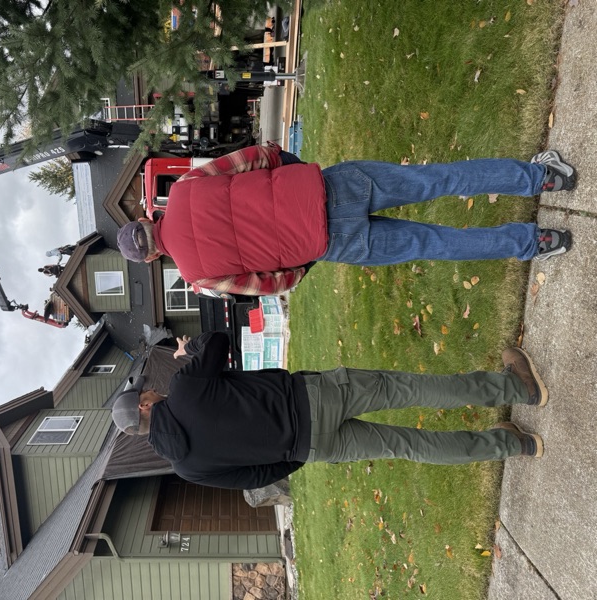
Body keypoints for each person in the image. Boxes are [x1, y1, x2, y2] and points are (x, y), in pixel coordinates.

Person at [116, 144, 575, 295]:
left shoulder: (200, 278)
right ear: (146, 218)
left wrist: (303, 258)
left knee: (433, 244)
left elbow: (273, 284)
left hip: (330, 241)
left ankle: (537, 242)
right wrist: (291, 171)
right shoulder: (186, 187)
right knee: (436, 180)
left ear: (152, 255)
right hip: (327, 186)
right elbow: (256, 157)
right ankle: (542, 177)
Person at [111, 332, 546, 490]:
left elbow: (258, 477)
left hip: (312, 448)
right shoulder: (185, 386)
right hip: (315, 397)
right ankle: (515, 387)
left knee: (408, 446)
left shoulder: (187, 470)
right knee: (411, 389)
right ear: (146, 403)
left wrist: (298, 454)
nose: (150, 390)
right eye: (146, 391)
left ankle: (512, 444)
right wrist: (190, 352)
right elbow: (221, 341)